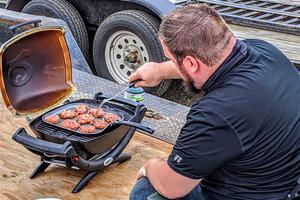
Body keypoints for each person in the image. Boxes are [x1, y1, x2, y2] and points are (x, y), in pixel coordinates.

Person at [128, 3, 300, 200]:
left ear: (191, 64)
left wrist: (151, 166)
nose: (172, 63)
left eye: (172, 59)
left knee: (145, 190)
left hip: (251, 194)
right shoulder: (266, 51)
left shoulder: (215, 113)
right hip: (285, 178)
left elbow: (172, 187)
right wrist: (159, 70)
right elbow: (209, 63)